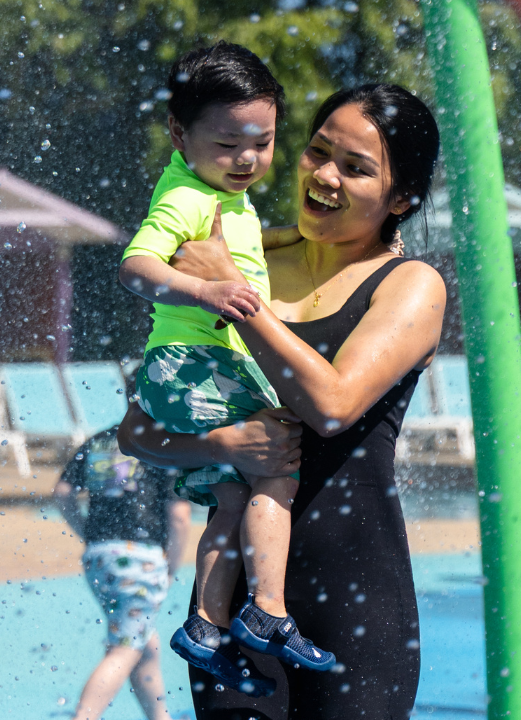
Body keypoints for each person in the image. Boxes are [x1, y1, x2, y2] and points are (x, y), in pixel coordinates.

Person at [120, 83, 444, 719]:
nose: (324, 176)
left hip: (352, 597)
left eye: (355, 169)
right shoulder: (247, 250)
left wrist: (234, 294)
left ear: (400, 199)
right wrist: (217, 445)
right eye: (318, 152)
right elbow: (136, 431)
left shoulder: (410, 286)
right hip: (232, 607)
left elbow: (332, 404)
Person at [117, 41, 332, 694]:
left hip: (188, 369)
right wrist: (207, 291)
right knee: (278, 474)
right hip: (198, 366)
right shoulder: (187, 200)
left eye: (262, 143)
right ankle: (268, 610)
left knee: (232, 500)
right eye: (228, 144)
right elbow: (136, 266)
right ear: (180, 135)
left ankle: (206, 627)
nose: (247, 159)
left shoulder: (222, 198)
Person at [54, 428, 191, 720]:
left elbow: (62, 492)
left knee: (143, 643)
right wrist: (170, 568)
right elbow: (179, 515)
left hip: (99, 557)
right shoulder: (164, 442)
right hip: (141, 558)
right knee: (125, 648)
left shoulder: (99, 439)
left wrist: (89, 534)